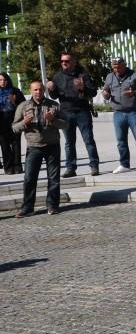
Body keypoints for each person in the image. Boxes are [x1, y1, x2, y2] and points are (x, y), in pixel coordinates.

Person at [11, 81, 68, 217]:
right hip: (34, 146)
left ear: (44, 90)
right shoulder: (23, 106)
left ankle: (52, 206)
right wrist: (25, 122)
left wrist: (53, 120)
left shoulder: (53, 105)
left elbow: (65, 124)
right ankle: (28, 208)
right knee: (29, 178)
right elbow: (14, 128)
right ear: (30, 91)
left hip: (52, 146)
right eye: (35, 90)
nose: (38, 92)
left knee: (53, 178)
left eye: (40, 89)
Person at [47, 52, 100, 177]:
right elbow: (54, 96)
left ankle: (94, 166)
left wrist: (82, 88)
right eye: (62, 61)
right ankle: (70, 168)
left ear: (74, 62)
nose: (64, 63)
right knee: (69, 143)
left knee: (88, 140)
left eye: (67, 61)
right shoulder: (58, 77)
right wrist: (51, 88)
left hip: (82, 112)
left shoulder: (83, 75)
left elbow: (93, 92)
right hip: (66, 113)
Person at [102, 57, 136, 174]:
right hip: (118, 113)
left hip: (133, 112)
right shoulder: (110, 77)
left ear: (124, 65)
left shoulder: (135, 76)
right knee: (121, 141)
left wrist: (134, 93)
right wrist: (105, 94)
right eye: (114, 67)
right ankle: (124, 164)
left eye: (119, 67)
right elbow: (106, 91)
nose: (116, 70)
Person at [0, 73, 25, 175]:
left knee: (16, 144)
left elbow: (24, 105)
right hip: (1, 123)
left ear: (8, 80)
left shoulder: (15, 91)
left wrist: (14, 102)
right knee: (4, 146)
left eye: (4, 80)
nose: (2, 82)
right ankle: (8, 167)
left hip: (15, 121)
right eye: (0, 80)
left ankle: (17, 166)